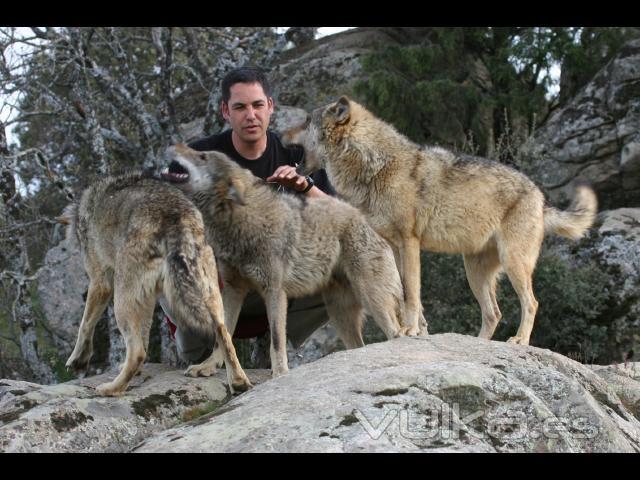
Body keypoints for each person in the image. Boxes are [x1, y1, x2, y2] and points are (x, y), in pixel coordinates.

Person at [162, 66, 336, 366]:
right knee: (172, 272)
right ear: (225, 111)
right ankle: (200, 358)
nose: (250, 115)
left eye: (257, 105)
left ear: (270, 107)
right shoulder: (200, 158)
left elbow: (338, 217)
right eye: (240, 107)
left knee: (338, 265)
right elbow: (166, 222)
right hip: (215, 282)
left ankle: (273, 345)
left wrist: (305, 186)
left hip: (275, 281)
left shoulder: (295, 154)